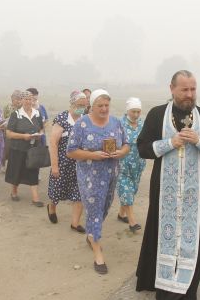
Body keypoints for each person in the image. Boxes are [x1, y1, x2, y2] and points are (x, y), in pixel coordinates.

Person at [135, 70, 200, 300]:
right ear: (172, 89)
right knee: (162, 236)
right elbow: (142, 148)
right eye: (184, 89)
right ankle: (164, 288)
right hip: (164, 191)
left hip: (194, 194)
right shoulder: (156, 115)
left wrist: (199, 140)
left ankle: (187, 299)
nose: (189, 95)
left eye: (193, 89)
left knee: (195, 242)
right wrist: (169, 143)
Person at [66, 89, 129, 275]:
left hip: (111, 174)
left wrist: (121, 152)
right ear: (91, 106)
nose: (103, 109)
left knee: (104, 208)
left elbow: (126, 144)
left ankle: (92, 235)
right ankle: (98, 253)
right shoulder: (82, 124)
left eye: (106, 105)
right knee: (94, 210)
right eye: (100, 105)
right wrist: (92, 155)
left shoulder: (116, 122)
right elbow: (71, 151)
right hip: (90, 177)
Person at [47, 91, 87, 232]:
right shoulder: (62, 118)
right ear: (72, 103)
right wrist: (54, 166)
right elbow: (53, 143)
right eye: (79, 105)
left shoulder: (85, 119)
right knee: (57, 190)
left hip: (80, 164)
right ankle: (52, 206)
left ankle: (75, 223)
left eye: (84, 105)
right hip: (63, 162)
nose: (82, 107)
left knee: (79, 193)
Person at [5, 91, 45, 206]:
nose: (28, 101)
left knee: (33, 171)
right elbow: (9, 133)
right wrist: (23, 136)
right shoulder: (16, 114)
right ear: (21, 100)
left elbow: (41, 128)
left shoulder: (37, 113)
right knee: (17, 170)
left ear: (33, 101)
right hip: (18, 148)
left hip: (33, 149)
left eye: (30, 99)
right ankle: (14, 192)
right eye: (26, 99)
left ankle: (35, 198)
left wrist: (39, 134)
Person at [117, 97, 147, 232]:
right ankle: (132, 222)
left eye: (138, 112)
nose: (135, 115)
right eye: (133, 111)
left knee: (132, 191)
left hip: (138, 164)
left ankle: (121, 214)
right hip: (122, 165)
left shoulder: (143, 125)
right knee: (126, 191)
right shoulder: (119, 124)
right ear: (127, 110)